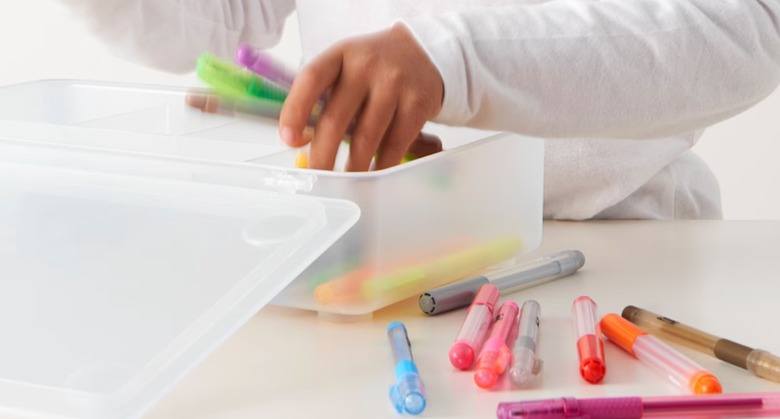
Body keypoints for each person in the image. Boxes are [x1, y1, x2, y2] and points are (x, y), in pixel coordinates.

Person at [56, 0, 780, 220]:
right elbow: (230, 15)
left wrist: (452, 60)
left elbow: (746, 28)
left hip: (617, 253)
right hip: (361, 248)